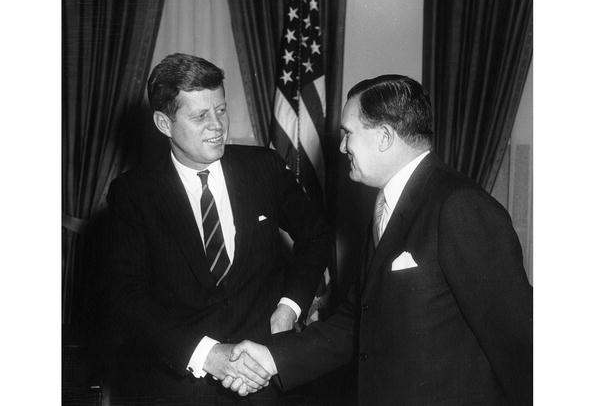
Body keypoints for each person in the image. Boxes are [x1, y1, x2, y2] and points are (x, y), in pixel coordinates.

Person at [227, 75, 533, 405]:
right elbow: (357, 321)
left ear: (385, 137)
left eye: (348, 133)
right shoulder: (385, 206)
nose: (342, 147)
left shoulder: (459, 206)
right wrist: (272, 358)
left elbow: (519, 342)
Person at [105, 53, 331, 404]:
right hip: (180, 387)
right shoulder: (133, 194)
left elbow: (316, 235)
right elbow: (126, 298)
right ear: (164, 124)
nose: (217, 126)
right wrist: (209, 355)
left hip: (265, 379)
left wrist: (289, 307)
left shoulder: (264, 168)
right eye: (200, 116)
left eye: (222, 110)